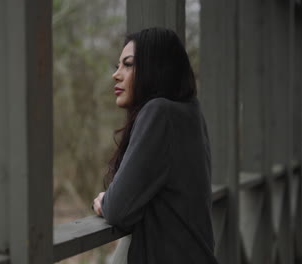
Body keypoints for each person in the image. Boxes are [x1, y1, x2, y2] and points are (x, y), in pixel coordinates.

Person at [92, 27, 217, 264]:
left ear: (155, 68)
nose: (116, 75)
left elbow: (118, 209)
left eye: (128, 64)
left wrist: (105, 201)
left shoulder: (159, 112)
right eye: (118, 66)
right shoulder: (191, 113)